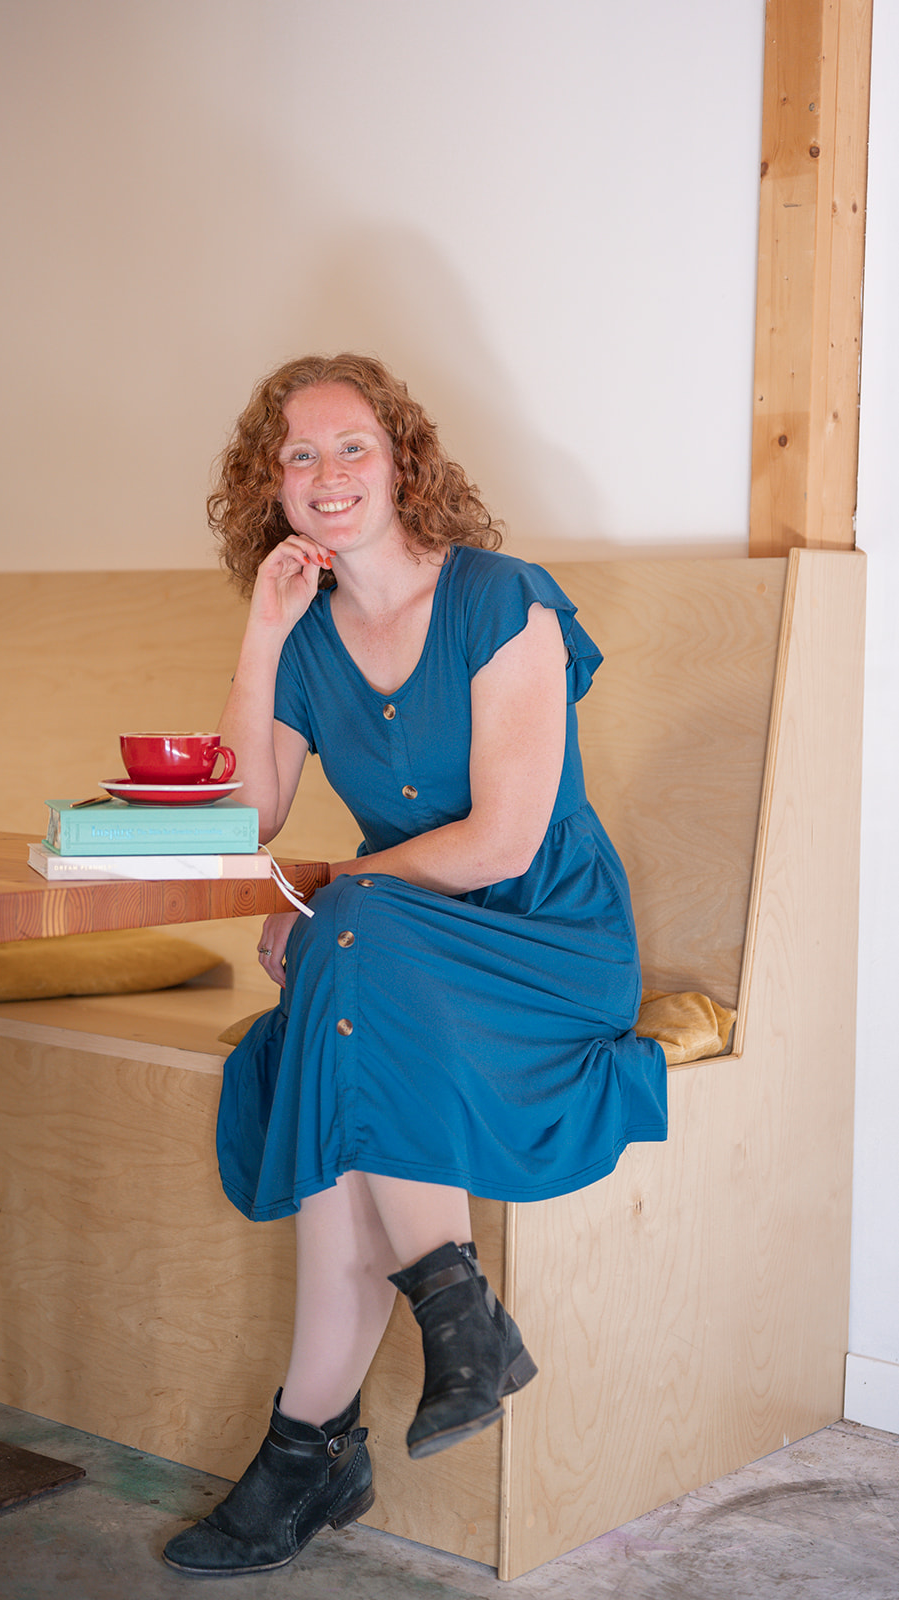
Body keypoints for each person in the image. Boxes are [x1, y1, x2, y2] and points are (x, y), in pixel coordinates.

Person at [162, 353, 667, 1578]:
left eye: (352, 449)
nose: (327, 476)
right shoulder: (309, 638)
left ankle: (325, 1439)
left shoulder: (505, 600)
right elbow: (252, 816)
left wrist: (340, 904)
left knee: (345, 958)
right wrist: (261, 629)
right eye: (299, 456)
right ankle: (377, 1386)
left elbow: (504, 836)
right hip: (397, 955)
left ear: (402, 463)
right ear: (267, 482)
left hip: (544, 941)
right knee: (343, 1032)